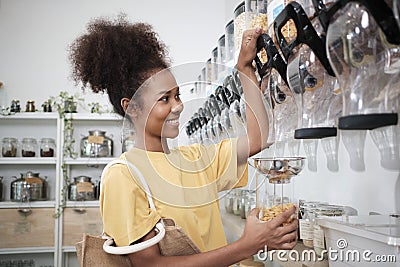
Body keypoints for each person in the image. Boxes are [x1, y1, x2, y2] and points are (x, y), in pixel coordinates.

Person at [70, 15, 298, 266]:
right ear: (131, 107)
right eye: (164, 99)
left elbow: (259, 138)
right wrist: (247, 246)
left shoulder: (195, 158)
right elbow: (150, 265)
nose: (178, 106)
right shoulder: (123, 175)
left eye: (177, 95)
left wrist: (245, 70)